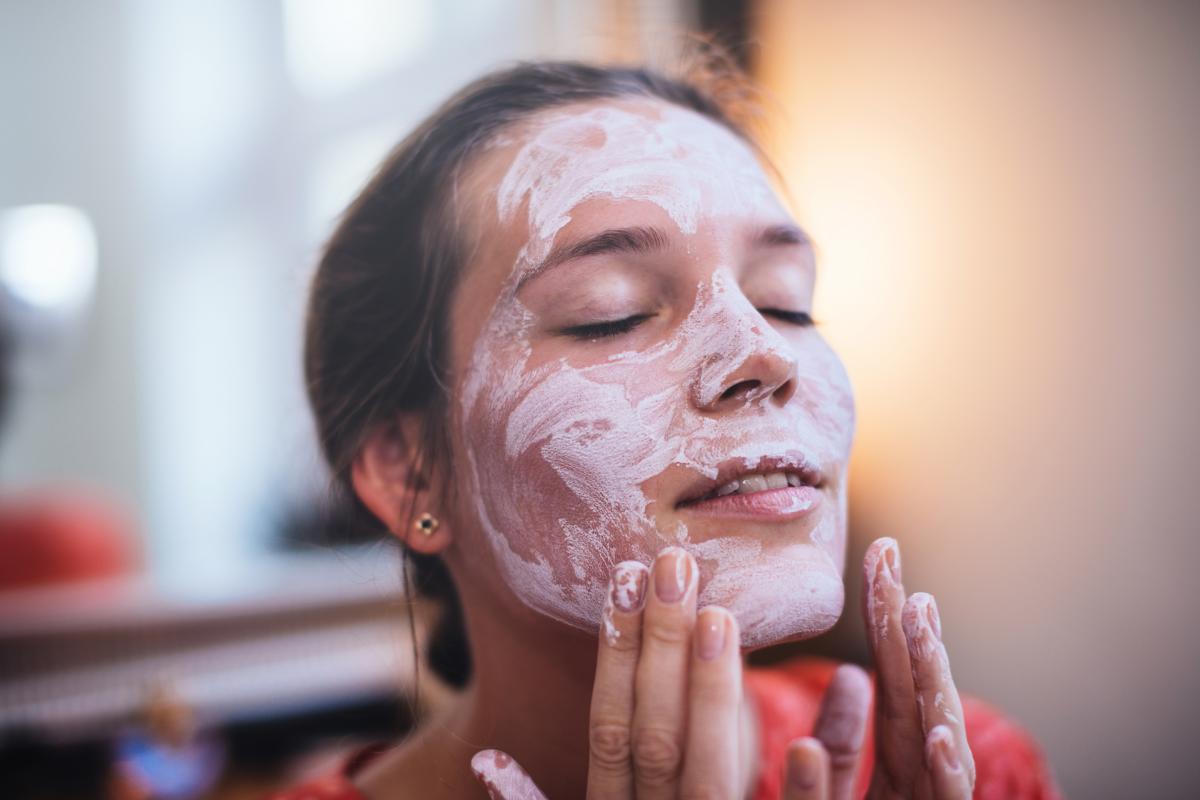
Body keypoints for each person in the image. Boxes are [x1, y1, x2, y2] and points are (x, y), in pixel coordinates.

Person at [278, 57, 1059, 799]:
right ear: (410, 469)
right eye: (608, 314)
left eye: (786, 301)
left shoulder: (968, 769)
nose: (763, 350)